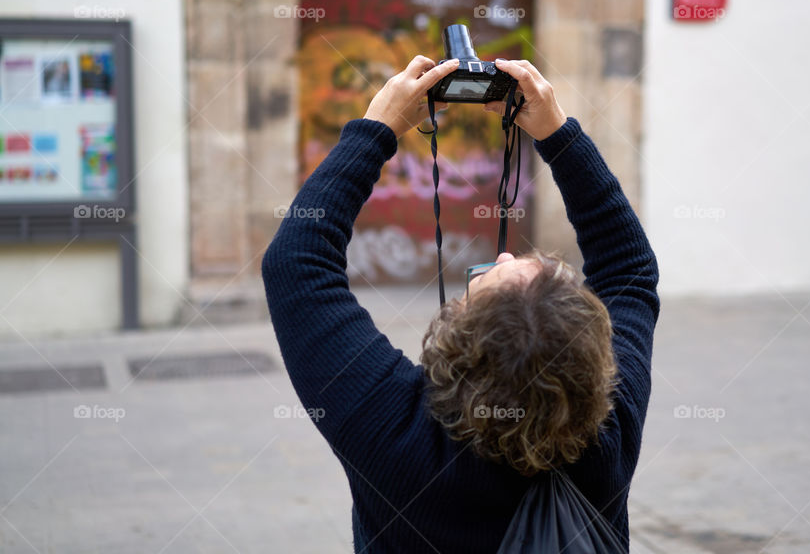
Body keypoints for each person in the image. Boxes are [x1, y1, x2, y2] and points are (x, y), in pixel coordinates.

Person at [261, 55, 660, 553]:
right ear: (596, 360)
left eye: (491, 278)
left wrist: (376, 128)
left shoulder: (397, 435)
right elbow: (630, 271)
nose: (506, 253)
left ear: (453, 346)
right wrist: (559, 133)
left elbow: (295, 263)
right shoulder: (606, 434)